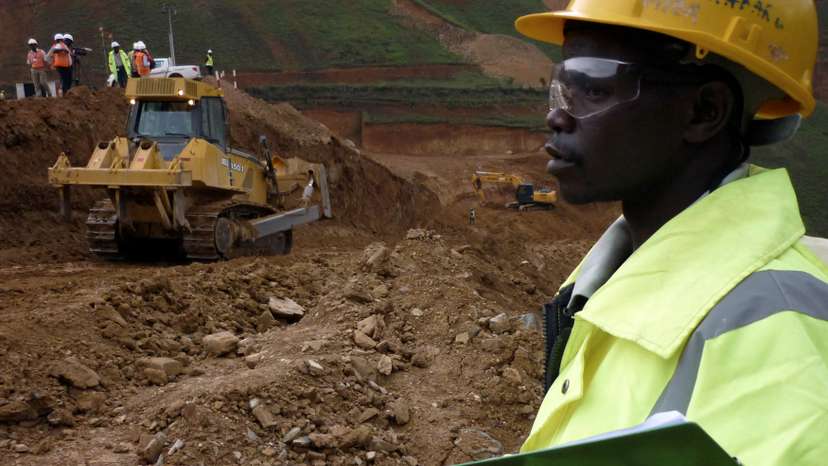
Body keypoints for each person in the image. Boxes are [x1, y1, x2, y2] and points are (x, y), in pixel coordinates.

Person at [513, 2, 827, 466]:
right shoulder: (609, 285)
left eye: (593, 87)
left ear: (704, 111)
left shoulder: (773, 337)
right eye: (561, 88)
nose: (557, 118)